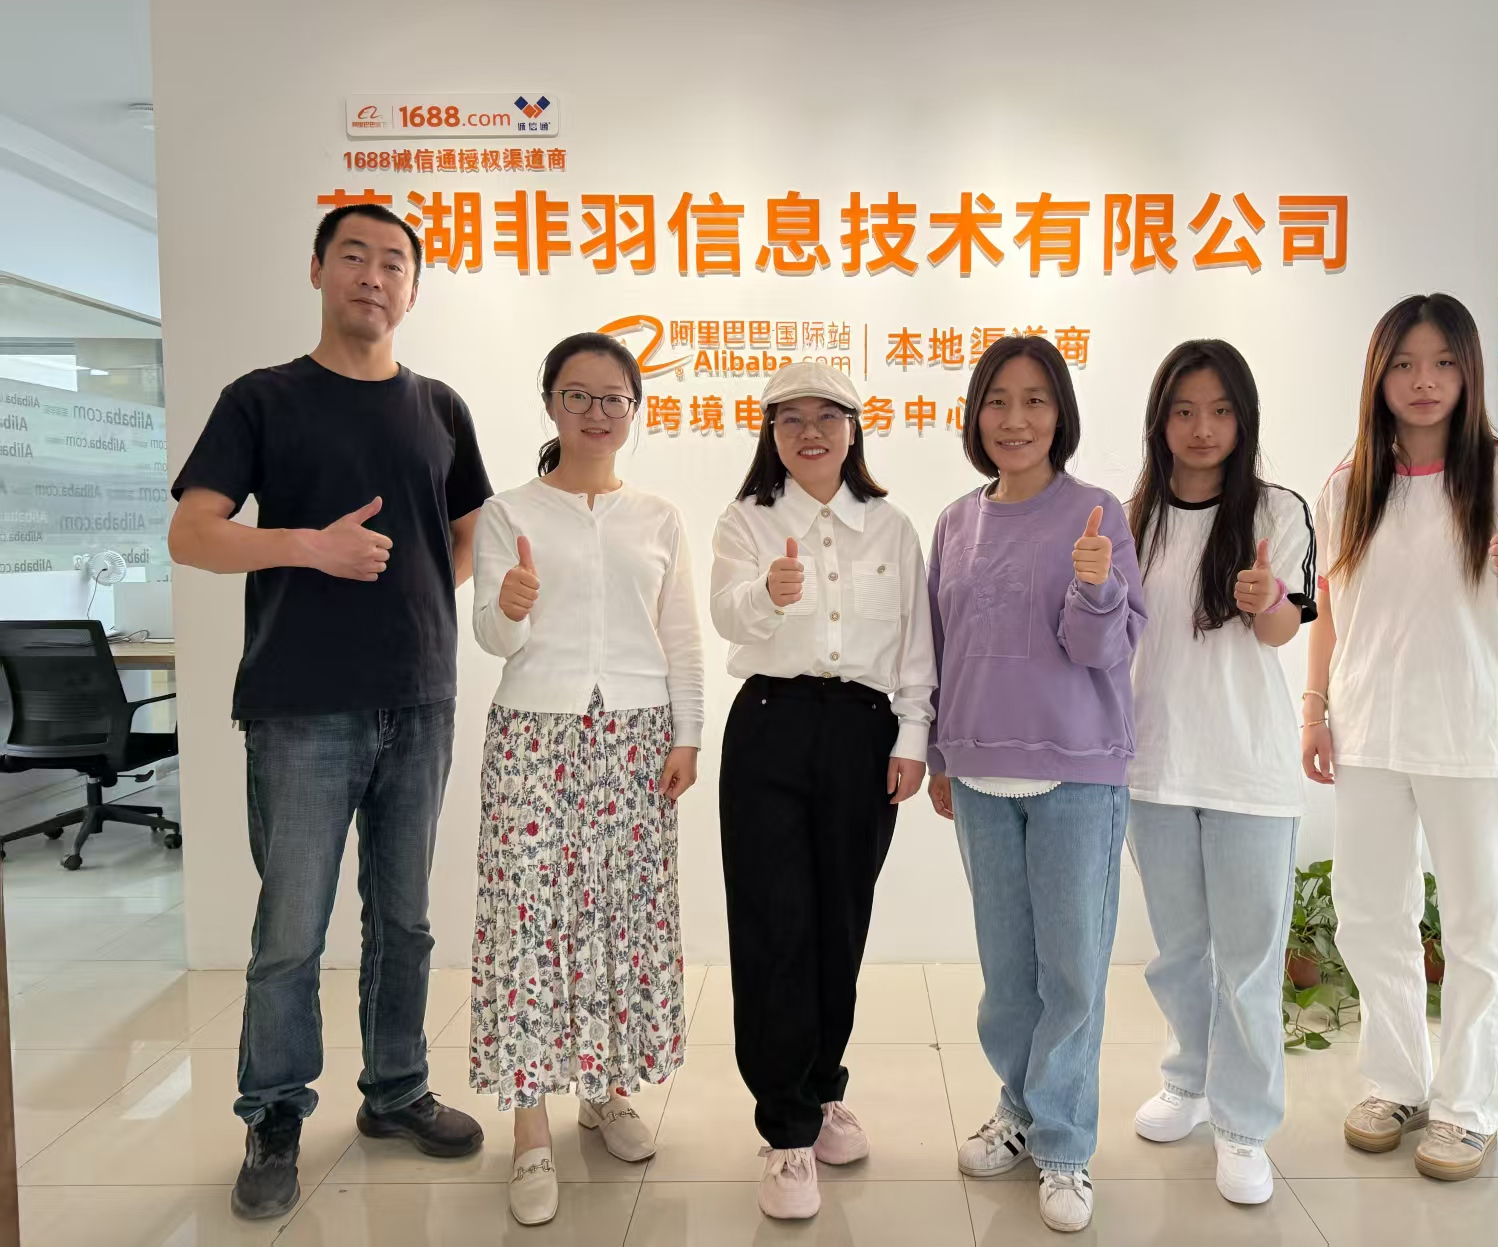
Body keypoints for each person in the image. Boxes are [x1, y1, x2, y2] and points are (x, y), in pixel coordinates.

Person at [168, 204, 490, 1221]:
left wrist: (418, 602)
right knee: (290, 930)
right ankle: (273, 1116)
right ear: (317, 269)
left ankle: (395, 1090)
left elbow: (468, 532)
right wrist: (308, 547)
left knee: (405, 920)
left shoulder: (438, 406)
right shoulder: (262, 399)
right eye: (354, 255)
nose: (373, 275)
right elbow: (192, 533)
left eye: (394, 262)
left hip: (420, 701)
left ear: (413, 289)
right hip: (300, 706)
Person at [1303, 293, 1498, 1182]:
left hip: (1469, 732)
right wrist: (1314, 709)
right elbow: (1330, 609)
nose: (1424, 380)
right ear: (1379, 375)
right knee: (1373, 917)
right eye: (1405, 363)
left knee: (1481, 927)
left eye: (1443, 362)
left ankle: (1468, 1106)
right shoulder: (1348, 484)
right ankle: (1397, 1082)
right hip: (1371, 729)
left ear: (1468, 371)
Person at [467, 332, 703, 1226]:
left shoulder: (659, 517)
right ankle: (530, 1128)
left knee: (617, 919)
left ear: (633, 410)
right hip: (535, 734)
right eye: (578, 395)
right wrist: (509, 608)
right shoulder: (509, 511)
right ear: (551, 403)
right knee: (529, 922)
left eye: (614, 398)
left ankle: (605, 1090)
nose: (597, 413)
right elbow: (494, 637)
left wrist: (689, 734)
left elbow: (681, 637)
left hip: (637, 739)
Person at [927, 334, 1146, 1235]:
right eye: (997, 400)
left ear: (1061, 413)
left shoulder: (1098, 513)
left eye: (1035, 400)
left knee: (1073, 971)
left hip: (1076, 772)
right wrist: (940, 753)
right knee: (1008, 972)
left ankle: (1064, 1144)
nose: (1014, 419)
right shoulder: (955, 520)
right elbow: (940, 648)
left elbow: (1107, 651)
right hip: (980, 773)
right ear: (975, 414)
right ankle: (1019, 1108)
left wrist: (1095, 588)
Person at [708, 363, 935, 1221]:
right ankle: (786, 1128)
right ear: (770, 433)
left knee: (841, 921)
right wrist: (768, 593)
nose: (809, 432)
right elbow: (727, 614)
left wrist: (912, 738)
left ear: (853, 428)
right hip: (769, 724)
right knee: (774, 925)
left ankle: (822, 1085)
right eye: (790, 419)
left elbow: (916, 643)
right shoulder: (746, 518)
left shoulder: (891, 525)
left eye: (826, 417)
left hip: (864, 733)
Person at [1121, 339, 1316, 1206]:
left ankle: (1243, 1125)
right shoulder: (1131, 518)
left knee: (1247, 959)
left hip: (1249, 771)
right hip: (1155, 766)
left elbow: (1283, 630)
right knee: (1178, 951)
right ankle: (1189, 1080)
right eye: (1185, 411)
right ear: (1160, 421)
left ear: (1245, 418)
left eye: (1221, 410)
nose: (1203, 428)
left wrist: (1265, 600)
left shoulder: (1278, 510)